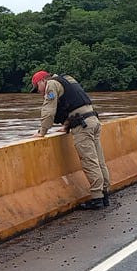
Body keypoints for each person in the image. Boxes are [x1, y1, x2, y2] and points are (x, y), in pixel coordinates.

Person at [31, 70, 112, 210]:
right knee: (99, 161)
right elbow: (74, 103)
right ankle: (105, 195)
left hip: (82, 126)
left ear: (42, 81)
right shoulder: (67, 79)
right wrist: (66, 126)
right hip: (93, 120)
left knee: (89, 161)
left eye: (37, 88)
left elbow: (49, 110)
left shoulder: (51, 84)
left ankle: (97, 198)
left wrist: (42, 132)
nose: (39, 92)